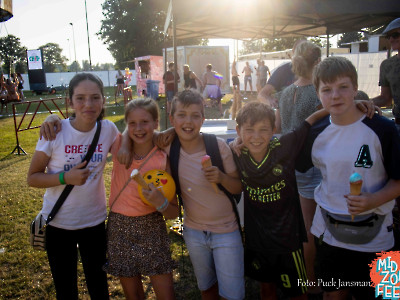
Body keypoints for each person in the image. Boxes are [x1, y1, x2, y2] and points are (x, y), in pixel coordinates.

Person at [118, 89, 245, 300]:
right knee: (207, 288)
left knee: (232, 295)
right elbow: (134, 130)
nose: (189, 121)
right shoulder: (167, 145)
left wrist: (222, 178)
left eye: (196, 116)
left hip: (226, 231)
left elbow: (238, 187)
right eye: (182, 115)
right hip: (194, 232)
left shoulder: (218, 147)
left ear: (203, 119)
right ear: (172, 118)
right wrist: (125, 142)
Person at [297, 56, 400, 300]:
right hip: (330, 236)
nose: (335, 95)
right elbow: (279, 149)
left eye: (343, 87)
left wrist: (374, 199)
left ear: (355, 87)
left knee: (388, 294)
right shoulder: (314, 134)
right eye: (327, 90)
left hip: (380, 236)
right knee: (333, 295)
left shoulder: (383, 129)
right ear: (318, 94)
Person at [27, 73, 119, 299]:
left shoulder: (108, 130)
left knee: (99, 288)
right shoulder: (55, 132)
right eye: (80, 98)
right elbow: (33, 177)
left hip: (94, 223)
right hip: (59, 225)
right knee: (65, 290)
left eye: (95, 97)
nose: (88, 104)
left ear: (103, 100)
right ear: (70, 102)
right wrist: (64, 178)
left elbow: (132, 153)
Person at [233, 101, 328, 300]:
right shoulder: (236, 154)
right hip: (257, 241)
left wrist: (352, 105)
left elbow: (310, 120)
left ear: (274, 129)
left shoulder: (284, 146)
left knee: (298, 293)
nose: (256, 136)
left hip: (288, 242)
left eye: (263, 130)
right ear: (238, 131)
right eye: (249, 130)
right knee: (267, 290)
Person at [104, 98, 178, 300]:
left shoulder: (162, 157)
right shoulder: (119, 145)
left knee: (166, 295)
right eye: (133, 123)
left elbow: (173, 212)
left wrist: (160, 202)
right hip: (120, 227)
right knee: (133, 296)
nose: (138, 128)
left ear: (156, 123)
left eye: (145, 122)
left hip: (152, 227)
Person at [275, 41, 322, 294]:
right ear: (317, 62)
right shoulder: (318, 93)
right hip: (311, 164)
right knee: (309, 228)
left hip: (288, 164)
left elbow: (277, 129)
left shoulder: (284, 92)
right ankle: (311, 283)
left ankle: (300, 277)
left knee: (298, 224)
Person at [371, 18, 400, 133]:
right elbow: (386, 98)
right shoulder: (387, 65)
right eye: (389, 37)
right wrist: (361, 102)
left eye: (395, 35)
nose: (391, 39)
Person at [258, 39, 306, 107]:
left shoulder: (316, 70)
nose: (303, 53)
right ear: (293, 52)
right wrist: (270, 101)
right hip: (286, 114)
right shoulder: (283, 70)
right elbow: (262, 94)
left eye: (306, 50)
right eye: (300, 50)